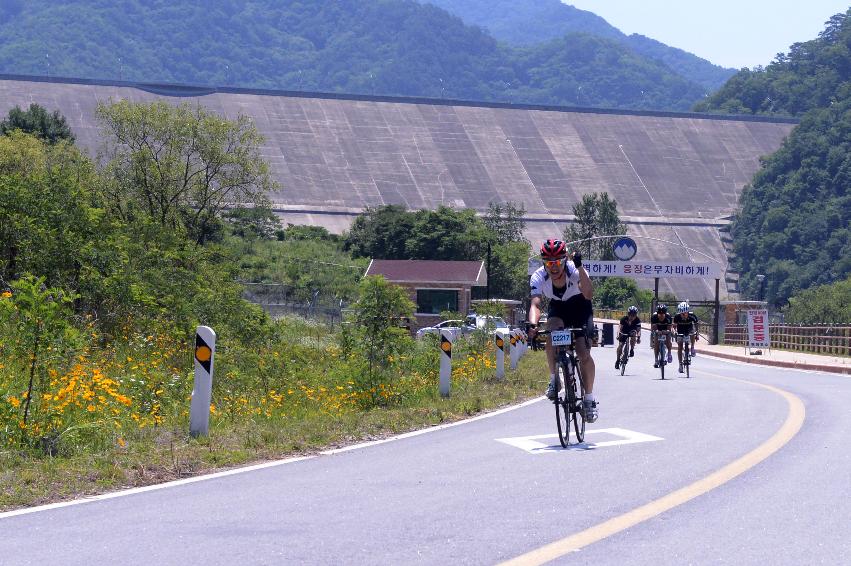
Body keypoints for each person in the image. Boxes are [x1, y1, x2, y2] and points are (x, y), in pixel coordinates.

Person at [527, 239, 597, 423]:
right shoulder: (538, 276)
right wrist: (532, 325)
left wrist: (581, 268)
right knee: (552, 334)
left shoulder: (574, 270)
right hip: (558, 308)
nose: (553, 267)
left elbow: (589, 294)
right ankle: (554, 380)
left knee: (583, 353)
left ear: (564, 260)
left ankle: (589, 399)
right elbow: (535, 303)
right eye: (549, 263)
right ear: (544, 263)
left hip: (580, 306)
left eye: (557, 262)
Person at [673, 302, 699, 373]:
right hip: (680, 330)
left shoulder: (692, 316)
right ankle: (680, 364)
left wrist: (697, 333)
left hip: (689, 329)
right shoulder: (677, 317)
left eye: (685, 313)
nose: (684, 315)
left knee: (692, 333)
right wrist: (675, 332)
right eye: (682, 314)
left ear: (688, 312)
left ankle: (692, 347)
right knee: (680, 346)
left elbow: (696, 325)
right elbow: (674, 327)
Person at [615, 305, 642, 370]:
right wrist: (618, 335)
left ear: (636, 315)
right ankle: (618, 360)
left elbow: (639, 330)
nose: (632, 316)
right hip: (624, 332)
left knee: (634, 335)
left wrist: (638, 338)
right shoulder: (624, 319)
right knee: (621, 345)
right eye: (630, 314)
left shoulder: (637, 320)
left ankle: (632, 349)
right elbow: (619, 328)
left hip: (631, 332)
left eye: (634, 315)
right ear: (628, 314)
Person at [650, 304, 673, 368]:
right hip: (657, 329)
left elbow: (669, 328)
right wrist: (656, 331)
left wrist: (666, 332)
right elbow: (652, 327)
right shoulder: (654, 317)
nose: (661, 316)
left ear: (665, 314)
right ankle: (656, 359)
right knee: (656, 343)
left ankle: (669, 353)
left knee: (668, 340)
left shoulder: (668, 317)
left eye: (663, 314)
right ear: (657, 313)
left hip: (666, 330)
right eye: (659, 314)